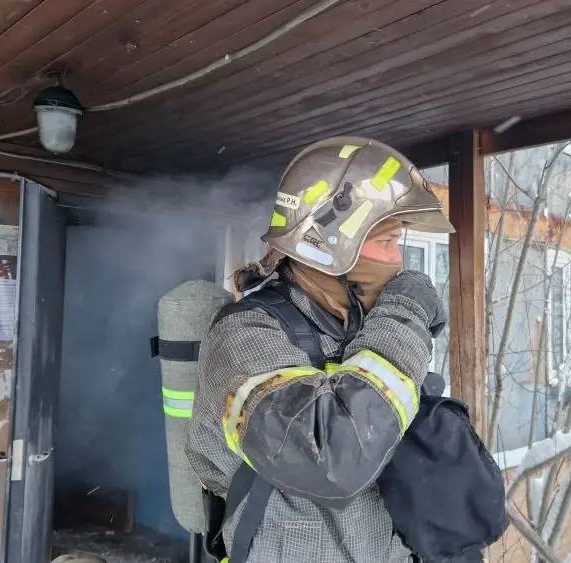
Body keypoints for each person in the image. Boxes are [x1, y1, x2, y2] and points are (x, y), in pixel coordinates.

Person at [187, 137, 455, 562]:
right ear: (327, 244)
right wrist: (404, 314)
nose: (399, 261)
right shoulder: (245, 335)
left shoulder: (362, 331)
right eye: (386, 241)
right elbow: (332, 459)